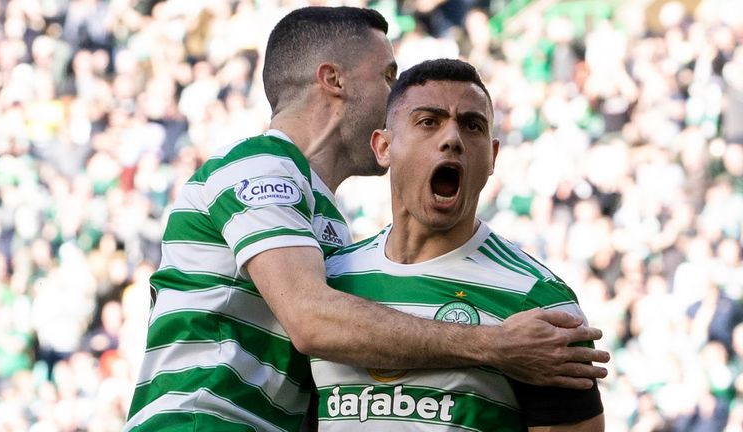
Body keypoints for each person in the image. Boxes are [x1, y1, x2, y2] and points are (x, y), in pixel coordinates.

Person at [124, 7, 609, 431]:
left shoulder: (329, 221)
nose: (396, 93)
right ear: (334, 81)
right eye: (388, 77)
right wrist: (496, 347)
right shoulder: (258, 167)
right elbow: (311, 320)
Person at [314, 58, 604, 430]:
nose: (452, 139)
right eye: (428, 122)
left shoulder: (536, 299)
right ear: (383, 147)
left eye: (472, 126)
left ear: (492, 157)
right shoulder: (330, 281)